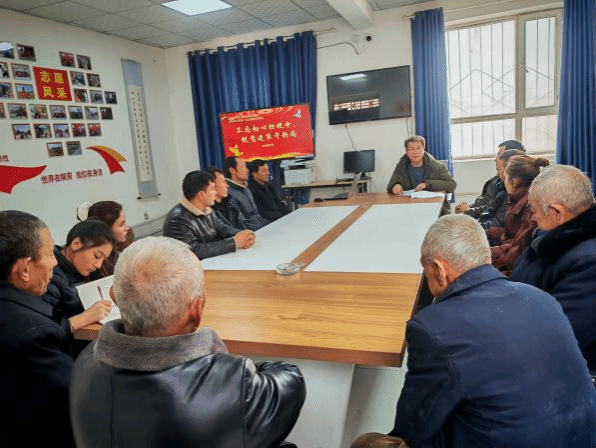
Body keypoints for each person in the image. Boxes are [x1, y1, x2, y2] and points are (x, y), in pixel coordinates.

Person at [351, 214, 596, 448]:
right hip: (583, 437)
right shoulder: (542, 298)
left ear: (439, 269)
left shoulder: (433, 328)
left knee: (367, 442)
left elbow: (413, 428)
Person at [70, 236, 306, 448]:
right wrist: (213, 352)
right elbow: (290, 377)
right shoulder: (233, 383)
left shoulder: (85, 362)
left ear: (114, 296)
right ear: (197, 308)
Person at [0, 211, 75, 447]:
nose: (55, 262)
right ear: (24, 269)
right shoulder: (34, 334)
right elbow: (74, 397)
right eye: (50, 254)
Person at [511, 165, 596, 370]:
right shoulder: (552, 236)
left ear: (557, 212)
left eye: (533, 210)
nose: (532, 217)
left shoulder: (588, 262)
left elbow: (554, 337)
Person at [42, 220, 115, 336]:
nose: (98, 265)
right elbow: (43, 329)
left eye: (103, 260)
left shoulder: (80, 271)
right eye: (97, 256)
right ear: (76, 244)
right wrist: (84, 318)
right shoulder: (48, 277)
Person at [163, 170, 255, 260]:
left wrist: (243, 234)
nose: (215, 192)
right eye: (212, 189)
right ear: (201, 195)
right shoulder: (177, 219)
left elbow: (223, 229)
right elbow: (194, 250)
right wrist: (234, 243)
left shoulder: (208, 210)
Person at [486, 155, 549, 272]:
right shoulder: (517, 199)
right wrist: (487, 233)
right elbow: (511, 232)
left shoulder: (530, 207)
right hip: (508, 254)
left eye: (505, 178)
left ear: (514, 182)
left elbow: (517, 249)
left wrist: (482, 252)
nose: (502, 181)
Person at [455, 140, 525, 227]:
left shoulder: (510, 192)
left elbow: (497, 222)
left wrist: (469, 213)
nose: (496, 159)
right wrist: (469, 208)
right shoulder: (499, 184)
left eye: (500, 155)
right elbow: (490, 207)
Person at [386, 135, 456, 215]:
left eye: (418, 148)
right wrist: (395, 185)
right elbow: (389, 186)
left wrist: (427, 184)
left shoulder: (436, 166)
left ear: (423, 149)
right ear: (406, 151)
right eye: (411, 149)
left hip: (435, 208)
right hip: (409, 208)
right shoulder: (402, 166)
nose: (415, 152)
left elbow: (452, 184)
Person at [81, 200, 132, 279]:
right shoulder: (95, 266)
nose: (127, 228)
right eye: (121, 224)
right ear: (106, 228)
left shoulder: (114, 251)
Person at [224, 156, 270, 230]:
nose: (247, 170)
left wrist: (270, 225)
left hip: (262, 227)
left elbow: (257, 215)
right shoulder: (229, 194)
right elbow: (242, 225)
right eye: (243, 166)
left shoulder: (246, 189)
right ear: (232, 170)